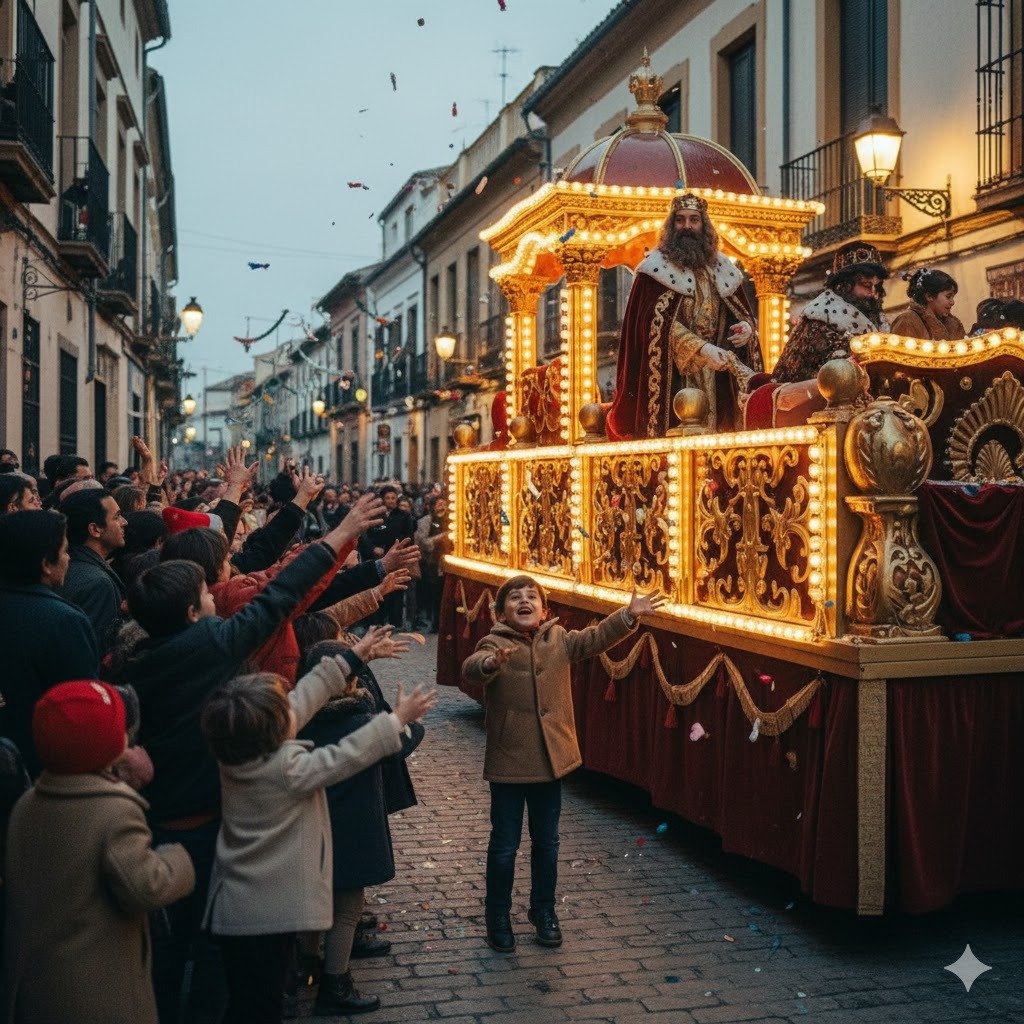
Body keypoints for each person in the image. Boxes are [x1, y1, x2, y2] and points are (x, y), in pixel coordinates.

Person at [116, 497, 385, 1024]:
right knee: (220, 965)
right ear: (193, 612)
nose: (216, 597)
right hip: (213, 828)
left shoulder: (131, 663)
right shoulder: (212, 645)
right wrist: (340, 534)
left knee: (167, 962)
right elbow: (280, 595)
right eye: (205, 594)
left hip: (158, 825)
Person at [200, 651, 435, 1024]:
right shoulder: (286, 770)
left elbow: (298, 704)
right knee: (260, 1007)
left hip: (233, 906)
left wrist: (347, 660)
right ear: (276, 729)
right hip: (267, 918)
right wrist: (396, 721)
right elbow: (345, 756)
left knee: (244, 996)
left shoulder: (234, 757)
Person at [462, 576, 664, 953]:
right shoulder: (494, 642)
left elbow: (596, 638)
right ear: (501, 611)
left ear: (545, 609)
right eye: (515, 598)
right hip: (508, 759)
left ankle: (544, 911)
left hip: (550, 760)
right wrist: (491, 662)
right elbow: (472, 667)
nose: (524, 601)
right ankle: (498, 916)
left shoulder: (560, 640)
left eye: (531, 597)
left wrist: (628, 616)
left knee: (547, 843)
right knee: (504, 845)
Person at [2, 681, 195, 1024]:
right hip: (97, 992)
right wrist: (178, 860)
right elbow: (144, 886)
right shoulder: (114, 812)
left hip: (36, 987)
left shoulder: (28, 804)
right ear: (110, 745)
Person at [297, 635, 423, 1016]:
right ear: (352, 681)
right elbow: (402, 742)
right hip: (354, 831)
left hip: (311, 833)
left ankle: (303, 969)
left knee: (312, 905)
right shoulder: (361, 720)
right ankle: (336, 980)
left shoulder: (299, 722)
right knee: (347, 907)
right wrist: (403, 720)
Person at [606, 193, 762, 439]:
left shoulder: (724, 269)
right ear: (671, 225)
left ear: (704, 225)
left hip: (718, 374)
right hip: (676, 377)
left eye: (694, 220)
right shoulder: (653, 271)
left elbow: (738, 312)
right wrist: (700, 349)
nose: (687, 226)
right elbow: (651, 325)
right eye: (680, 220)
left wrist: (745, 328)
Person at [0, 510, 99, 777]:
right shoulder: (64, 621)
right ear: (46, 564)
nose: (68, 559)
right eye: (65, 551)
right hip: (41, 765)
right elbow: (80, 704)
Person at [772, 242, 890, 384]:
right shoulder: (818, 321)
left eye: (876, 286)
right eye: (866, 285)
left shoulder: (879, 323)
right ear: (844, 285)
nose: (872, 293)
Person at [60, 488, 128, 652]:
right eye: (117, 517)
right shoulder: (97, 584)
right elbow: (94, 649)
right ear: (95, 529)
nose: (125, 522)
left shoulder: (73, 564)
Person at [890, 268, 966, 340]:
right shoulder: (907, 321)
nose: (952, 302)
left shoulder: (953, 325)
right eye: (948, 296)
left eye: (953, 297)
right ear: (929, 296)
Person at [415, 494, 449, 633]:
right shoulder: (426, 521)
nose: (442, 506)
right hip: (432, 562)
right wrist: (440, 538)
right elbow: (422, 541)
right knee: (433, 594)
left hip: (446, 561)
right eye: (439, 503)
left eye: (444, 503)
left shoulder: (450, 520)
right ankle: (433, 622)